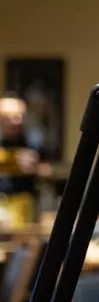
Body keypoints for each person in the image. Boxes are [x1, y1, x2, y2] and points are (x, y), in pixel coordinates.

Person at [0, 93, 40, 231]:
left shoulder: (32, 140)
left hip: (23, 204)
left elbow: (43, 167)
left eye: (19, 117)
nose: (16, 122)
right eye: (10, 118)